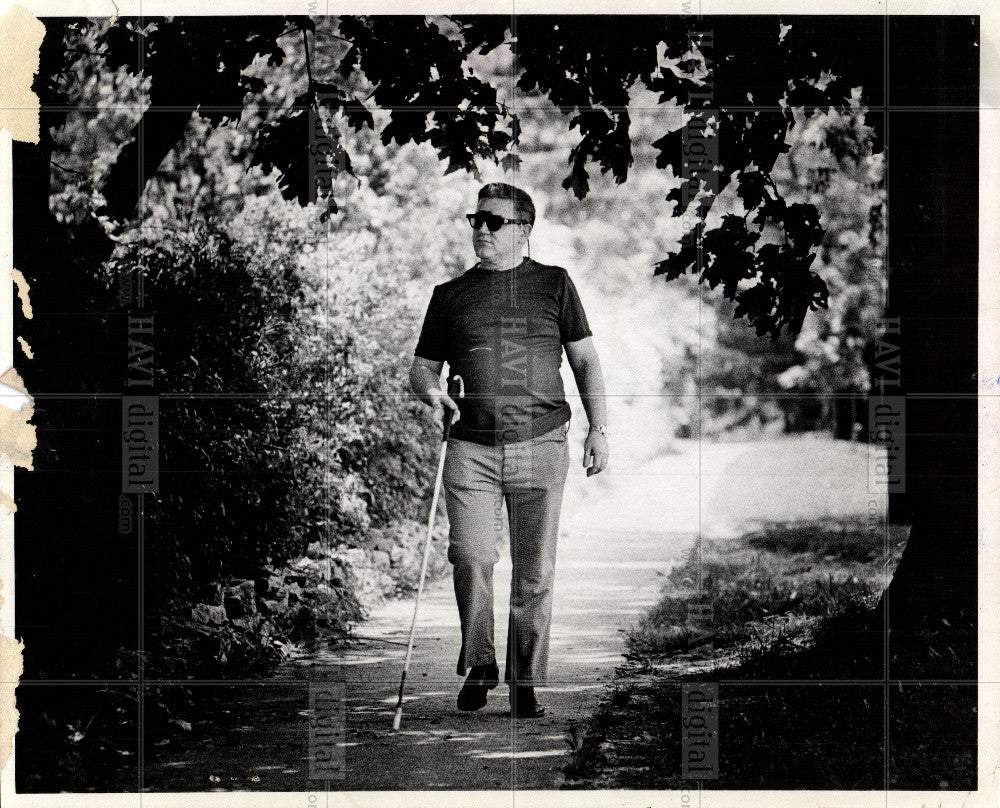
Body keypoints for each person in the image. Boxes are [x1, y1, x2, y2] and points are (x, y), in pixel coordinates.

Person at [409, 182, 608, 718]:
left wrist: (599, 429)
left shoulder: (553, 285)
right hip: (469, 446)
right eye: (476, 218)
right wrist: (433, 396)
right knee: (471, 556)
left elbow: (586, 361)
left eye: (494, 221)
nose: (481, 229)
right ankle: (480, 662)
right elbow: (422, 370)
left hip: (542, 441)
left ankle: (525, 679)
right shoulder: (449, 295)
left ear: (524, 229)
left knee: (534, 567)